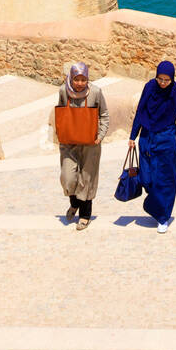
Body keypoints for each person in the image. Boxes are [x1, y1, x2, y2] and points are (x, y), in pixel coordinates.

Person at [129, 60, 176, 233]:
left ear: (172, 79)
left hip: (166, 140)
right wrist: (132, 136)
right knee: (146, 178)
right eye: (160, 79)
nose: (163, 83)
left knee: (165, 180)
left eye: (167, 80)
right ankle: (155, 206)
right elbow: (140, 110)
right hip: (146, 138)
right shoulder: (150, 87)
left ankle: (163, 217)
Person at [50, 63, 109, 231]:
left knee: (86, 179)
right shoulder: (63, 91)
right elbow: (60, 113)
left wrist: (100, 135)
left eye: (84, 79)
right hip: (69, 143)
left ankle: (85, 215)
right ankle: (74, 202)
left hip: (90, 143)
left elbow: (104, 115)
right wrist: (59, 134)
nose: (80, 83)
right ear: (71, 78)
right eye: (77, 79)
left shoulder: (96, 92)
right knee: (68, 178)